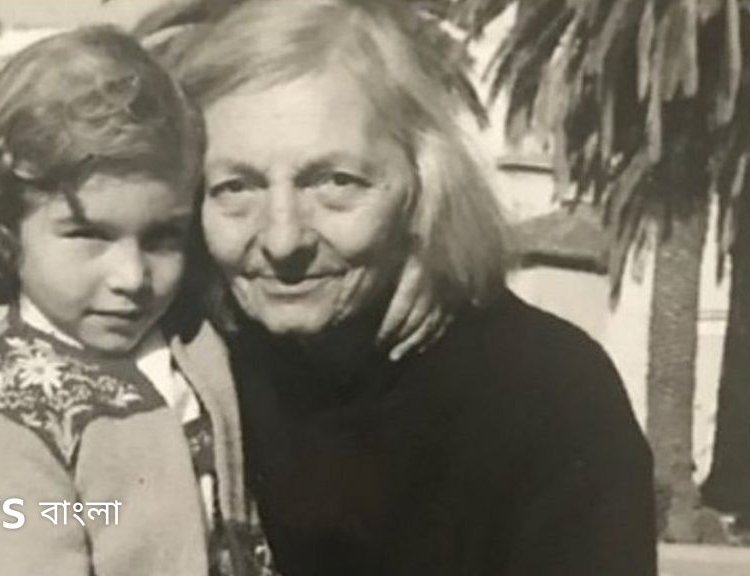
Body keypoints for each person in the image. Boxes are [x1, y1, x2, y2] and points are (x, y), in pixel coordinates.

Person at [168, 0, 659, 575]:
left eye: (336, 182)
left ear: (424, 185)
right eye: (235, 188)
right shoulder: (178, 364)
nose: (282, 239)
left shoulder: (548, 393)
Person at [0, 26, 229, 576]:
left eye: (163, 237)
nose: (133, 277)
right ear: (5, 228)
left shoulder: (195, 338)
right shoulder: (5, 403)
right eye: (89, 234)